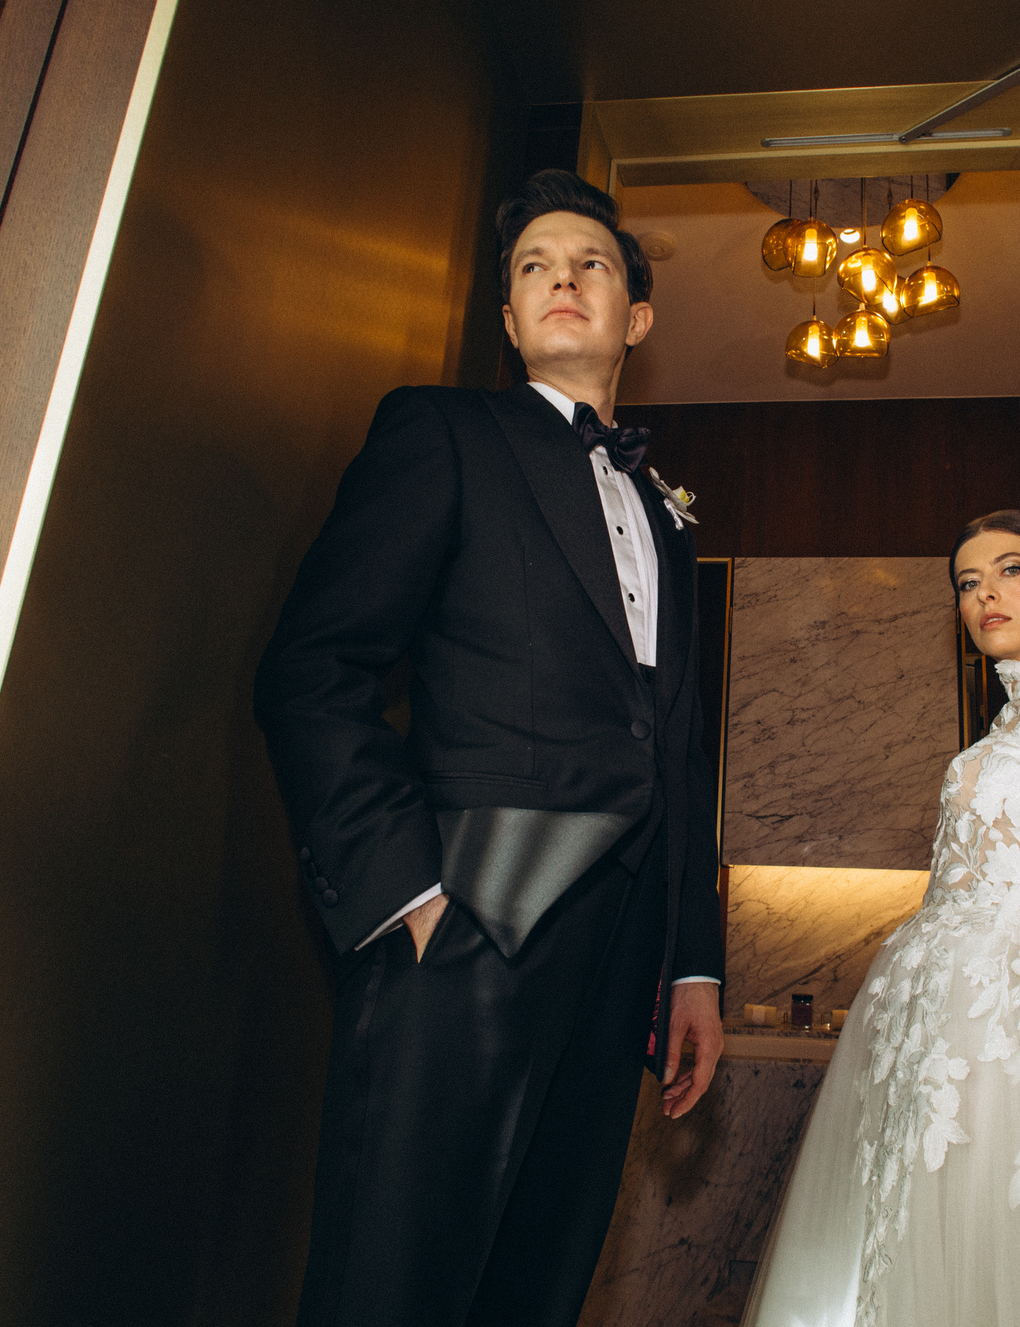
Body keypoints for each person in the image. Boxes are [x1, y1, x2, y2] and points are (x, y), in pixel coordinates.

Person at [254, 169, 725, 1327]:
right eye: (534, 267)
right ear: (508, 320)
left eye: (591, 263)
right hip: (464, 928)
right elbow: (314, 665)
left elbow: (677, 751)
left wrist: (691, 965)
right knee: (391, 1285)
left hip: (622, 961)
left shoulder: (667, 517)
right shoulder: (443, 432)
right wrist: (404, 891)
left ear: (636, 317)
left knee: (537, 1285)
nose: (564, 278)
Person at [742, 510, 1020, 1327]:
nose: (985, 594)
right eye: (968, 582)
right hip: (937, 1015)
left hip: (1001, 1021)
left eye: (1011, 570)